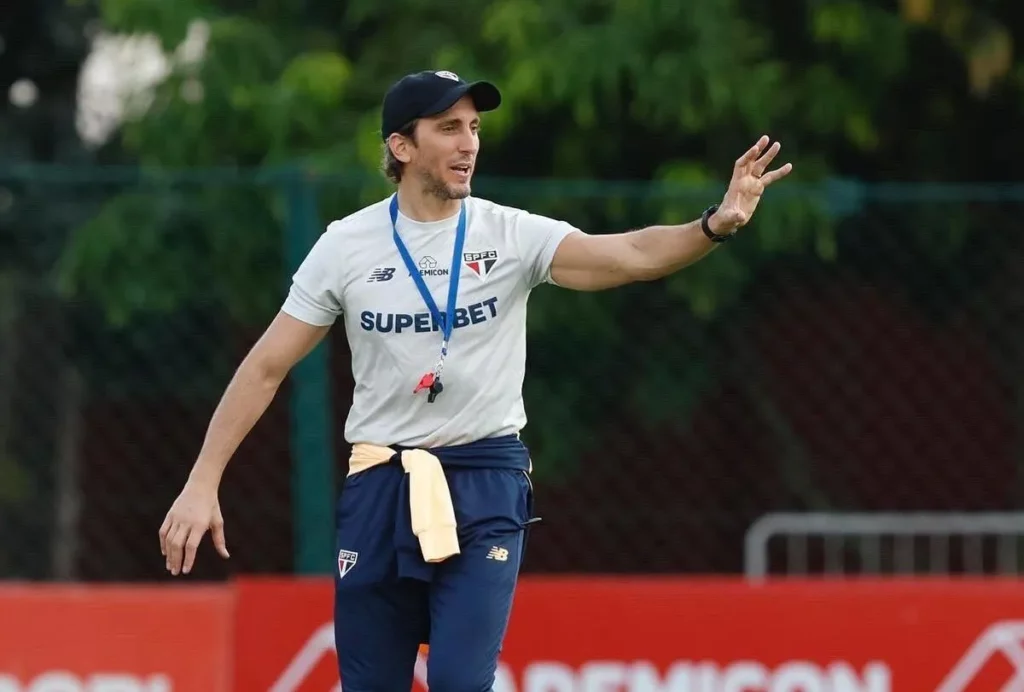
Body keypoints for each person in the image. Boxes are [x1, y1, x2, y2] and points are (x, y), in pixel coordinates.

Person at [158, 69, 792, 690]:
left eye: (473, 127)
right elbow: (265, 367)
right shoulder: (345, 246)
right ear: (401, 147)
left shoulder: (509, 233)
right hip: (381, 480)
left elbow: (628, 255)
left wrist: (713, 225)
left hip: (486, 478)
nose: (469, 143)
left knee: (462, 681)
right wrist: (201, 482)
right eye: (448, 128)